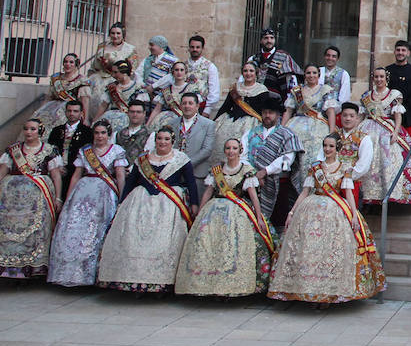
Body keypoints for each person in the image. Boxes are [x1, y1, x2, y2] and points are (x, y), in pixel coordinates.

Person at [269, 134, 386, 306]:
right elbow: (305, 192)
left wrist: (354, 214)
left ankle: (329, 294)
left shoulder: (345, 169)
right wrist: (292, 212)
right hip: (310, 210)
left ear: (337, 148)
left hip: (336, 212)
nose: (327, 149)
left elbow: (348, 193)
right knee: (308, 250)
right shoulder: (315, 168)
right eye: (325, 145)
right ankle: (307, 290)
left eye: (331, 146)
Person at [96, 125, 198, 293]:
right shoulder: (143, 159)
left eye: (166, 139)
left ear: (173, 141)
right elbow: (131, 181)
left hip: (169, 202)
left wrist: (194, 203)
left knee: (164, 238)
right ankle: (132, 279)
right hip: (141, 199)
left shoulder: (181, 159)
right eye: (159, 139)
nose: (162, 142)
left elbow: (191, 182)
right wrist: (122, 202)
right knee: (132, 236)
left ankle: (161, 282)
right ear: (155, 140)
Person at [175, 137, 276, 297]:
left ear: (240, 150)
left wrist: (258, 217)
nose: (231, 151)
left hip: (238, 211)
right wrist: (200, 213)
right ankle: (206, 284)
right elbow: (208, 192)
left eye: (234, 148)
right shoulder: (217, 170)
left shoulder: (246, 170)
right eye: (228, 148)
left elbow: (253, 196)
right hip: (214, 210)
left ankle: (232, 285)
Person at [0, 118, 61, 280]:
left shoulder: (49, 150)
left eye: (33, 129)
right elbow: (1, 173)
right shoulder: (13, 150)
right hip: (10, 197)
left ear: (40, 131)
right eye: (26, 128)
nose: (28, 132)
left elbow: (56, 175)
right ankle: (5, 268)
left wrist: (58, 197)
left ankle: (29, 268)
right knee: (5, 230)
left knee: (34, 233)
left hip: (37, 198)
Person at [47, 122, 127, 287]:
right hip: (83, 191)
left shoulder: (116, 150)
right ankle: (70, 273)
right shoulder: (86, 151)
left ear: (109, 134)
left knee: (96, 230)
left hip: (105, 193)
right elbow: (76, 175)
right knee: (74, 228)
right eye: (97, 133)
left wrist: (122, 198)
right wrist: (68, 199)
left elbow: (120, 175)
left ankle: (93, 275)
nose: (99, 136)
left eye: (103, 133)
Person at [362, 66, 411, 205]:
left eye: (381, 76)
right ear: (373, 79)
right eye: (376, 77)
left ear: (386, 78)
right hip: (368, 129)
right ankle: (368, 196)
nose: (379, 79)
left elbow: (397, 116)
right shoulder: (367, 96)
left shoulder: (393, 94)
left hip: (387, 129)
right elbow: (363, 115)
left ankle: (390, 194)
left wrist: (396, 131)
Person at [245, 93, 303, 226]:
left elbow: (287, 159)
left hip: (278, 183)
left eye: (271, 113)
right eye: (264, 112)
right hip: (253, 182)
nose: (267, 115)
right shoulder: (250, 133)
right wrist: (253, 174)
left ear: (278, 115)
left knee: (278, 221)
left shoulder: (287, 134)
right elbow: (242, 156)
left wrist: (265, 171)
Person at [284, 64, 338, 192]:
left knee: (312, 155)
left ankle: (311, 187)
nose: (311, 75)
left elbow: (330, 112)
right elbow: (288, 111)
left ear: (319, 75)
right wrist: (281, 129)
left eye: (314, 73)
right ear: (304, 75)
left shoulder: (325, 90)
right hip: (296, 124)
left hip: (317, 126)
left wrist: (331, 133)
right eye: (308, 73)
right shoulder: (297, 91)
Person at [213, 61, 269, 170]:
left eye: (251, 71)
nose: (248, 73)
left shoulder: (262, 90)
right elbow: (226, 106)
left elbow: (264, 110)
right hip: (231, 120)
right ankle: (220, 171)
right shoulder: (235, 88)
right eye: (245, 71)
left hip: (251, 122)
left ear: (256, 73)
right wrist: (214, 121)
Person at [145, 92, 216, 175]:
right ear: (180, 106)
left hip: (196, 171)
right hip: (172, 171)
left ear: (197, 106)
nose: (187, 106)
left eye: (190, 103)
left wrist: (186, 165)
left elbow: (207, 150)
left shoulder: (208, 124)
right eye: (184, 103)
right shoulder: (171, 123)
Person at [333, 102, 378, 203]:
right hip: (331, 182)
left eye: (351, 116)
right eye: (345, 115)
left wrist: (346, 177)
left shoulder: (363, 138)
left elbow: (363, 165)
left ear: (357, 118)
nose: (348, 119)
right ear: (340, 117)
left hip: (352, 183)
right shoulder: (333, 136)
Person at [35, 53, 90, 130]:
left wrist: (86, 118)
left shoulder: (81, 80)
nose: (68, 64)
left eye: (71, 62)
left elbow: (85, 101)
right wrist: (40, 110)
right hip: (52, 107)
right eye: (66, 62)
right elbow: (48, 97)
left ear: (76, 65)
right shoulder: (56, 78)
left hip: (71, 108)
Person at [85, 21, 139, 99]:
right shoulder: (102, 46)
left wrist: (118, 82)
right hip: (98, 81)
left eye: (118, 33)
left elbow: (131, 71)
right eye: (113, 33)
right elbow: (94, 66)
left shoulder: (130, 49)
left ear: (123, 35)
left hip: (117, 82)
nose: (115, 36)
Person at [384, 40, 411, 137]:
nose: (400, 53)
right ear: (394, 52)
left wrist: (401, 109)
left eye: (403, 50)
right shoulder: (387, 71)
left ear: (408, 53)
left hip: (408, 117)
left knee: (408, 145)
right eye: (398, 50)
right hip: (389, 116)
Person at [246, 28, 299, 99]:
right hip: (257, 99)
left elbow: (292, 80)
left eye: (271, 38)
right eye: (266, 38)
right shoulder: (253, 59)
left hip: (278, 99)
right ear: (261, 40)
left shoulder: (284, 57)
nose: (269, 41)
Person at [146, 59, 197, 131]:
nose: (179, 72)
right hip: (165, 120)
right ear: (173, 72)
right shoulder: (166, 90)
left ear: (185, 72)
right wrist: (147, 125)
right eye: (176, 70)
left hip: (185, 120)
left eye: (181, 70)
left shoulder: (192, 89)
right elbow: (157, 109)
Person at [96, 60, 142, 133]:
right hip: (111, 117)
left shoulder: (137, 87)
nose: (113, 75)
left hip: (130, 118)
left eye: (115, 72)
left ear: (124, 72)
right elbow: (103, 105)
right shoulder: (112, 87)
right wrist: (95, 120)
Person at [47, 99, 91, 173]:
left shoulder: (87, 131)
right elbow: (50, 149)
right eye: (69, 111)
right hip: (57, 169)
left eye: (75, 111)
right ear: (65, 112)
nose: (71, 114)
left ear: (81, 113)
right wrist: (57, 165)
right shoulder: (56, 130)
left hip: (78, 170)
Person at [185, 35, 224, 115]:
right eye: (192, 47)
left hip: (201, 107)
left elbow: (214, 89)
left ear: (202, 48)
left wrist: (207, 110)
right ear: (189, 48)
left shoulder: (210, 66)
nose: (195, 49)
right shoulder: (182, 66)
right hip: (184, 106)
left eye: (197, 47)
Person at [113, 99, 152, 166]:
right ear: (128, 113)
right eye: (132, 112)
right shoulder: (117, 134)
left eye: (138, 112)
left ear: (144, 114)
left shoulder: (150, 135)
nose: (135, 115)